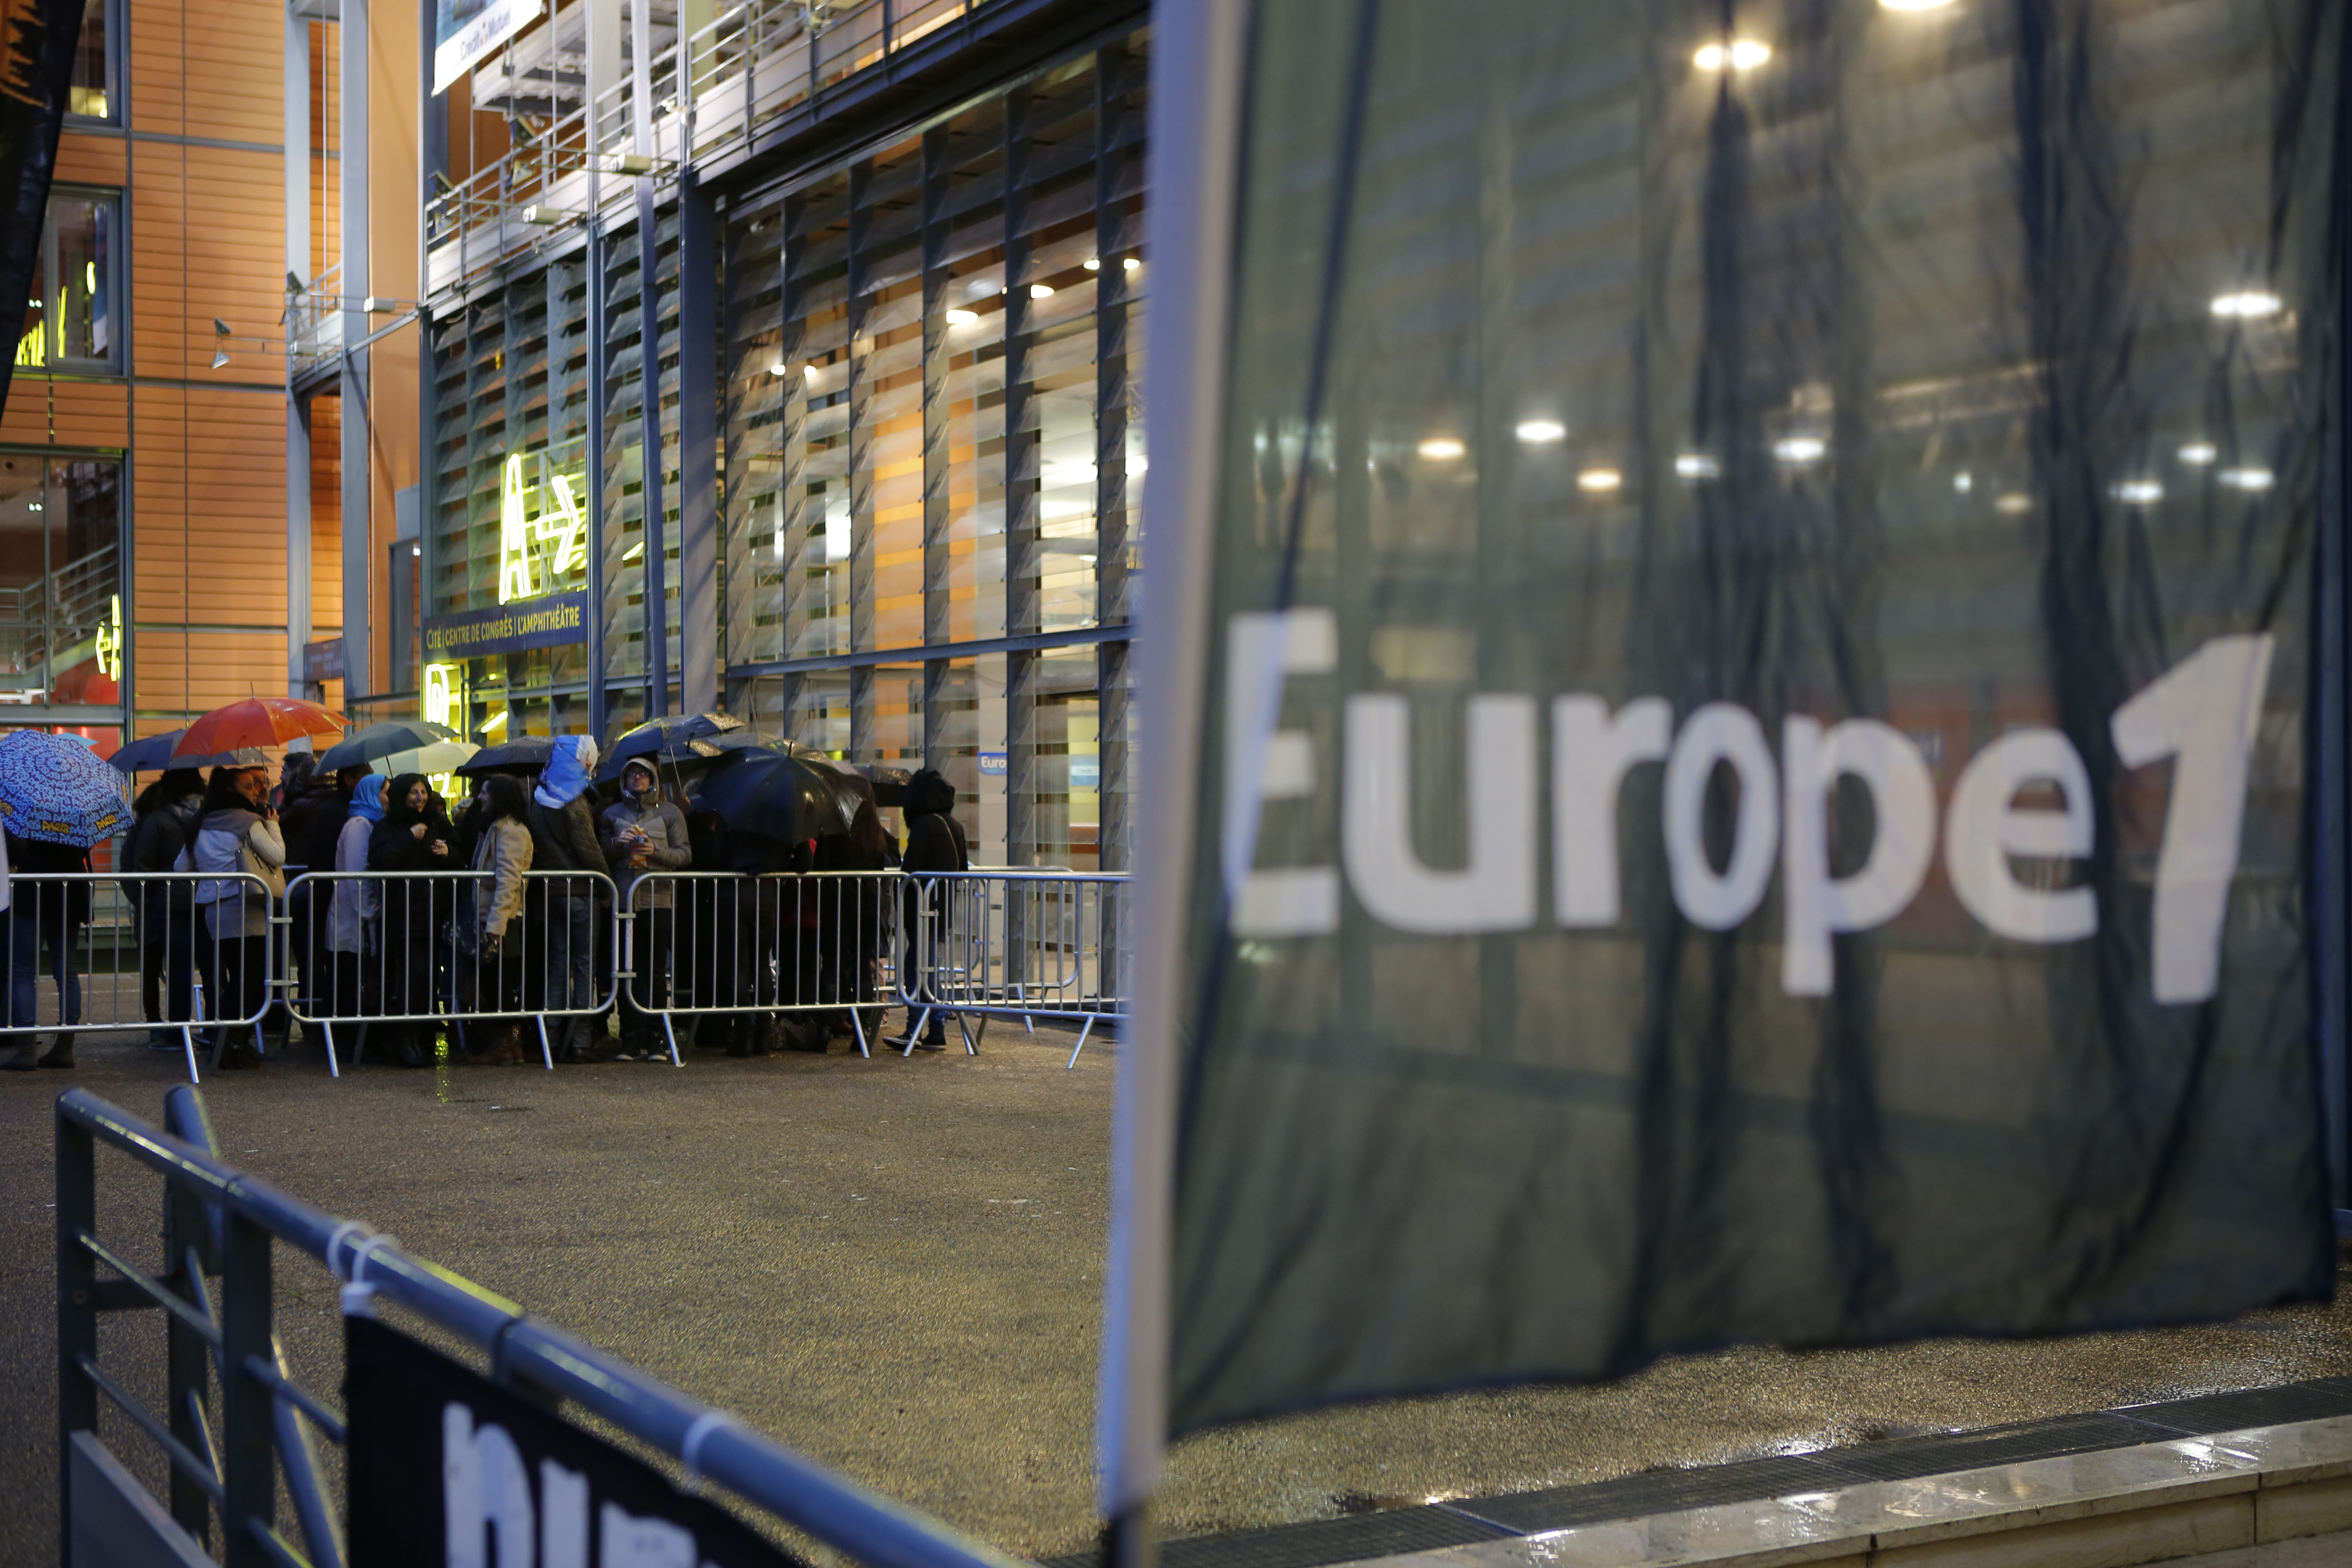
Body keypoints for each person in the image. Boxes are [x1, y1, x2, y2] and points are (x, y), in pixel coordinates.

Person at [191, 761, 283, 1070]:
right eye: (249, 786)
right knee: (250, 979)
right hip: (244, 905)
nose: (256, 790)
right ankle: (231, 1044)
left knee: (237, 977)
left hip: (212, 907)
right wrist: (274, 824)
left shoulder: (201, 822)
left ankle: (229, 1043)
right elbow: (277, 855)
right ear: (232, 790)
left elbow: (181, 868)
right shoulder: (248, 821)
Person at [599, 758, 690, 1062]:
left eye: (643, 774)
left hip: (658, 901)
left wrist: (656, 851)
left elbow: (685, 855)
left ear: (653, 779)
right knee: (626, 970)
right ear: (623, 780)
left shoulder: (670, 813)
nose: (637, 779)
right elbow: (600, 856)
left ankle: (655, 1037)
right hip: (624, 901)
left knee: (653, 971)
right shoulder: (612, 814)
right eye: (632, 774)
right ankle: (629, 1037)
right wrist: (616, 844)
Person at [524, 735, 608, 1062]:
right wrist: (605, 886)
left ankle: (553, 1037)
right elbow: (589, 849)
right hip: (581, 892)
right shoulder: (575, 800)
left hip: (550, 892)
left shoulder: (539, 798)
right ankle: (581, 1041)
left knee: (558, 966)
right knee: (585, 967)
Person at [367, 772, 452, 1068]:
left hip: (433, 913)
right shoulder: (386, 827)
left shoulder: (437, 822)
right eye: (414, 792)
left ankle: (423, 1037)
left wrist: (448, 852)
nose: (420, 797)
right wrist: (409, 838)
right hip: (403, 915)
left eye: (423, 791)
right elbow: (380, 860)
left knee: (428, 978)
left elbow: (460, 851)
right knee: (409, 978)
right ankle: (405, 1038)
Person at [0, 826, 93, 1071]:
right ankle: (65, 1047)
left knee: (22, 972)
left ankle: (27, 1049)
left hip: (32, 891)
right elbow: (85, 848)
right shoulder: (74, 809)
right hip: (70, 891)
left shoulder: (26, 811)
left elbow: (13, 850)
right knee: (67, 972)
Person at [127, 768, 204, 1052]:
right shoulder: (205, 818)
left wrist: (144, 900)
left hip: (166, 903)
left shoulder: (158, 821)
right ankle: (212, 1027)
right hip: (202, 899)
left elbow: (140, 865)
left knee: (174, 968)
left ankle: (172, 1029)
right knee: (209, 968)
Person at [891, 767, 967, 1051]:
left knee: (917, 969)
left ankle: (916, 1030)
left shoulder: (924, 824)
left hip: (921, 908)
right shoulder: (955, 825)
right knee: (928, 966)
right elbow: (962, 869)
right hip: (943, 907)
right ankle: (935, 1028)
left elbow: (910, 867)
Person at [462, 773, 534, 1065]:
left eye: (486, 792)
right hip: (496, 915)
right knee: (497, 983)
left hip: (500, 917)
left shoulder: (510, 831)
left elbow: (509, 880)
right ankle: (510, 1047)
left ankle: (506, 1046)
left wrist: (496, 924)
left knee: (500, 984)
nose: (480, 797)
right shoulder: (498, 827)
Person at [324, 774, 386, 1049]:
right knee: (351, 984)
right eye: (386, 792)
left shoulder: (370, 823)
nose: (390, 798)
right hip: (354, 921)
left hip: (357, 919)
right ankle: (350, 1044)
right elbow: (358, 874)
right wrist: (371, 911)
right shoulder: (360, 826)